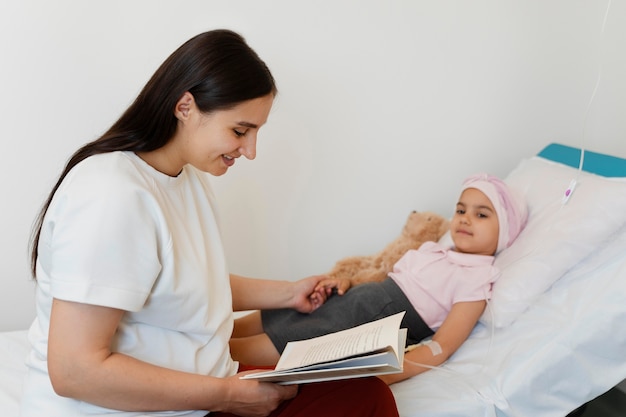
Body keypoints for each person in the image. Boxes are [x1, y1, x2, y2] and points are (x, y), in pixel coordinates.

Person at [21, 29, 399, 417]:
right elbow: (74, 371)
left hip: (204, 390)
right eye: (240, 131)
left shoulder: (187, 180)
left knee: (366, 394)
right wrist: (226, 396)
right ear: (185, 107)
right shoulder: (110, 195)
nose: (250, 151)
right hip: (134, 408)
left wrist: (289, 294)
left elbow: (185, 284)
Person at [230, 174, 528, 384]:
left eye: (482, 215)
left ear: (506, 232)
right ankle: (210, 332)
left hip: (373, 321)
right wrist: (347, 283)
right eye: (461, 210)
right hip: (358, 298)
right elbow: (386, 277)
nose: (464, 218)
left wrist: (394, 374)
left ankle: (212, 355)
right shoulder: (435, 249)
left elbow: (444, 345)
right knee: (278, 313)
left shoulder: (476, 279)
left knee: (283, 343)